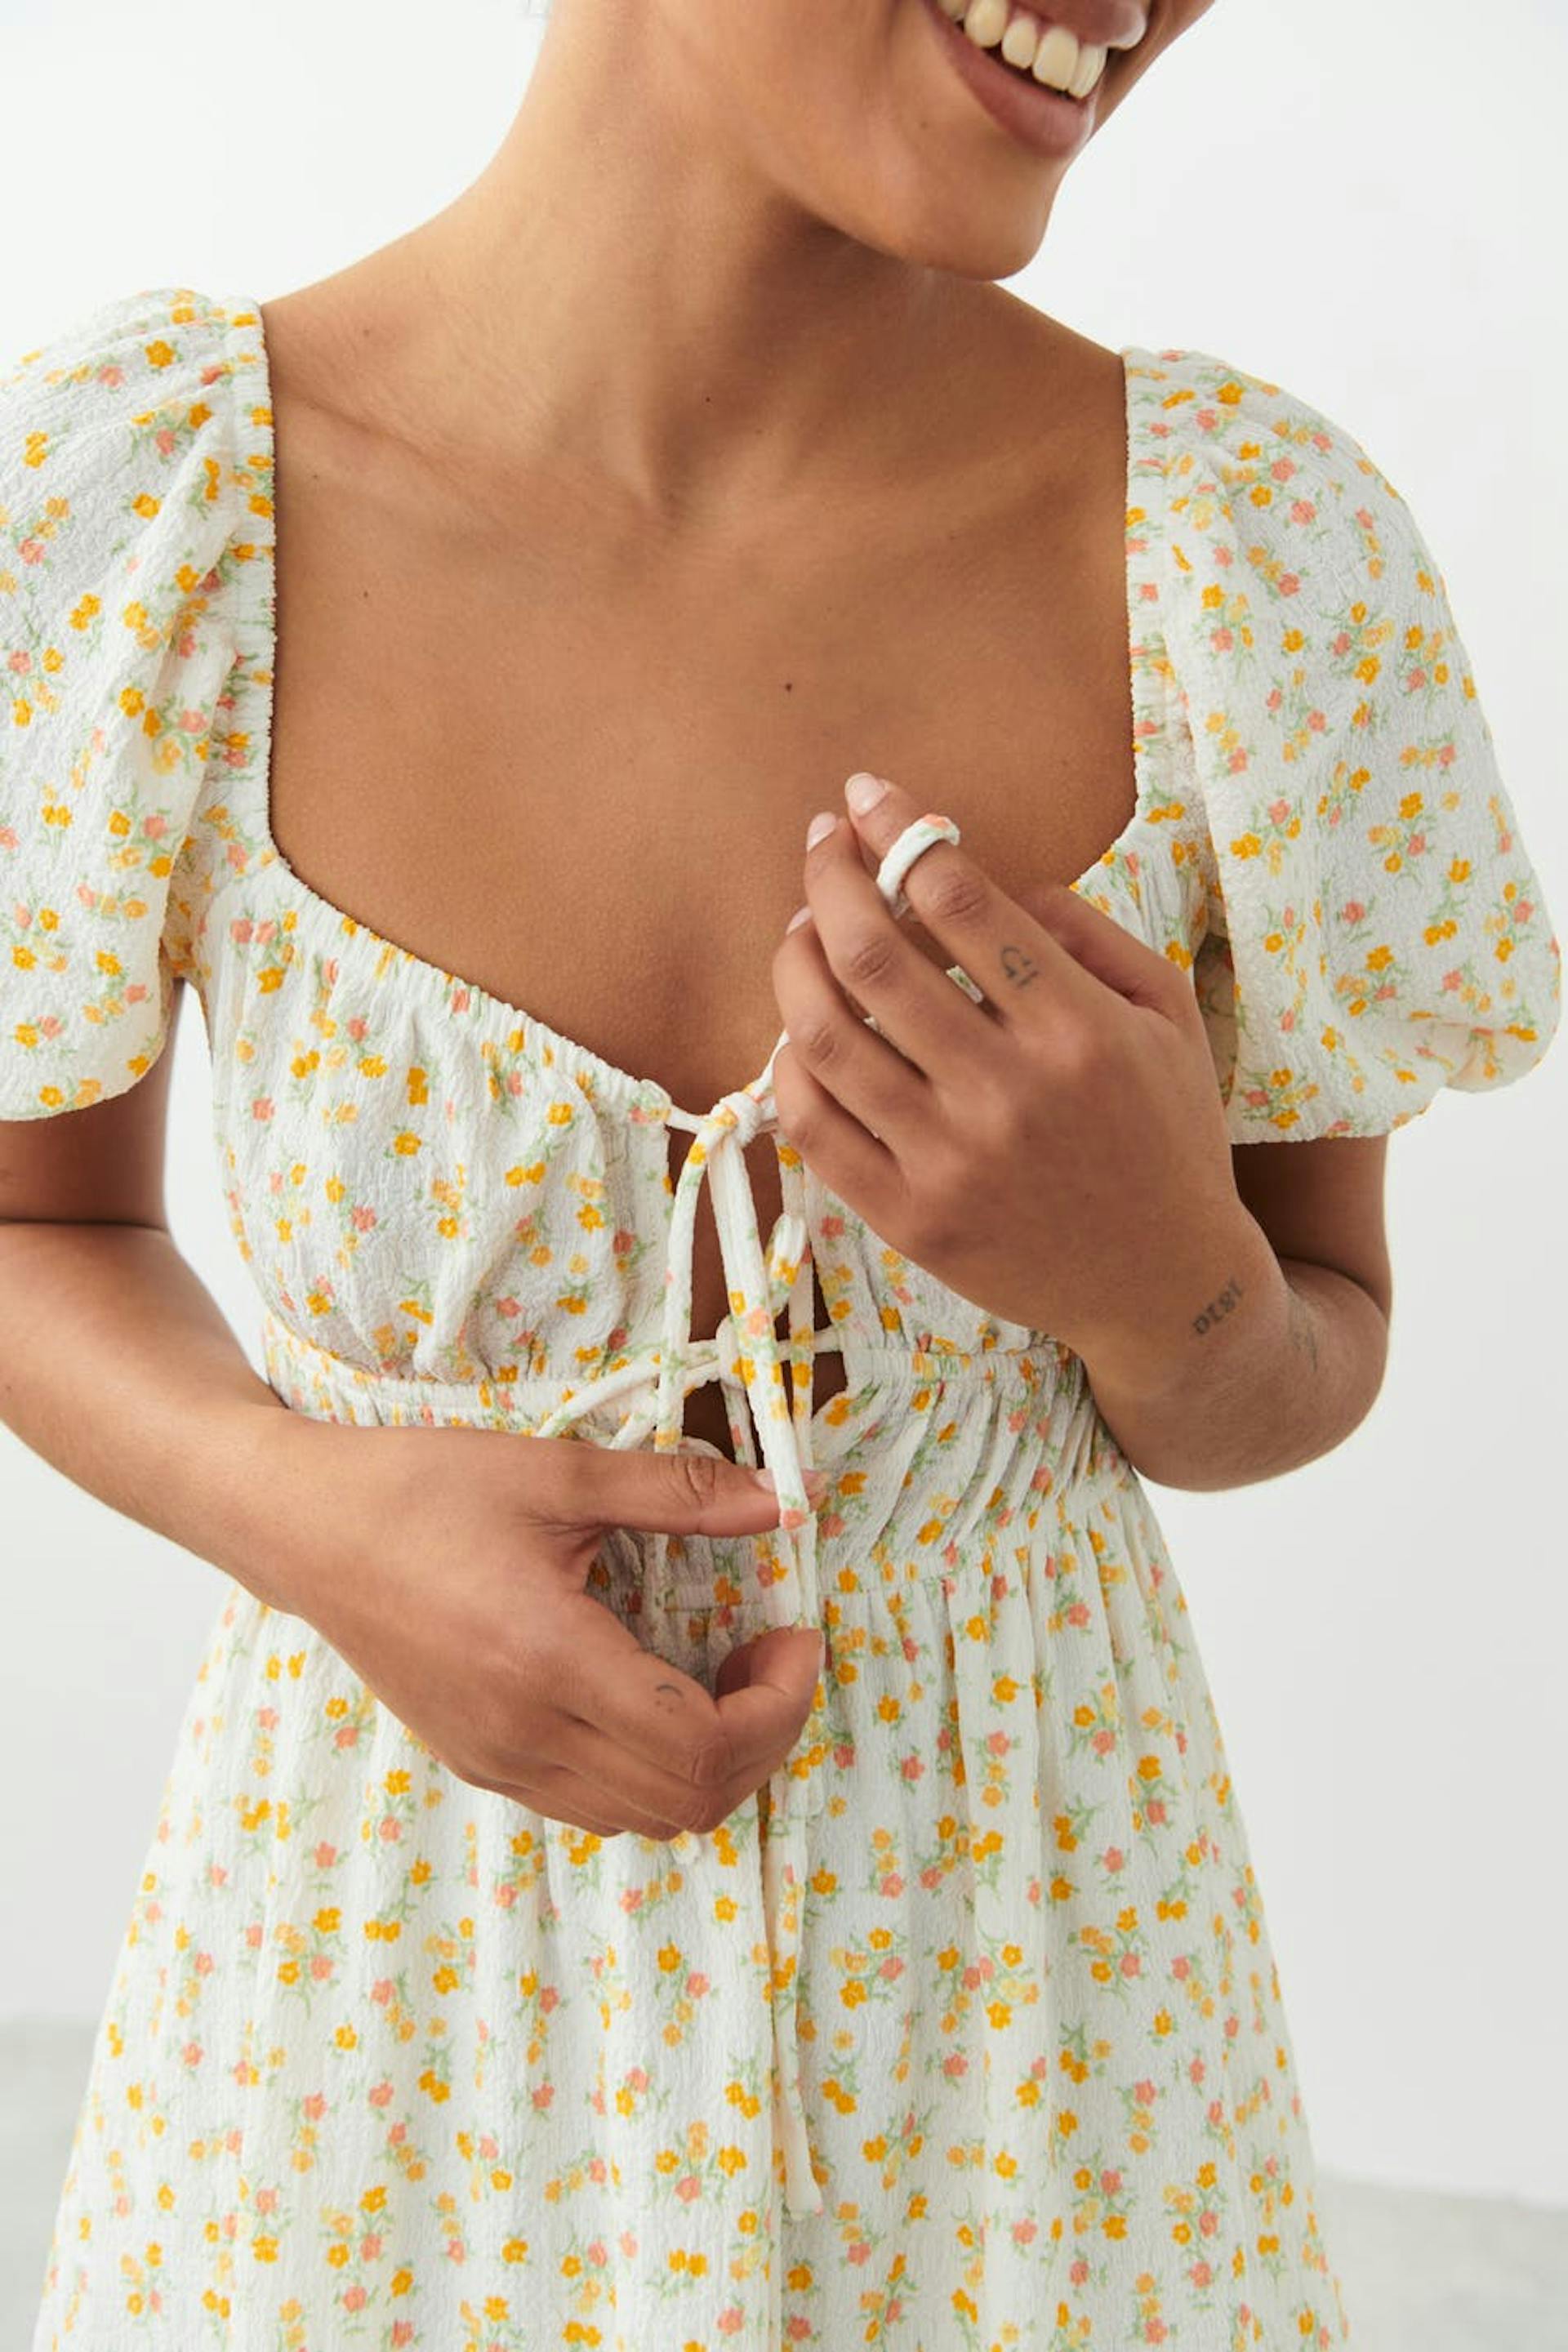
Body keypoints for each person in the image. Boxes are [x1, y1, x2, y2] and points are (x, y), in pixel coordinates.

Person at [2, 0, 1560, 2341]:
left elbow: (1305, 1346)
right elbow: (36, 1218)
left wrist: (1169, 1283)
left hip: (1044, 2094)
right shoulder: (146, 514)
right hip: (367, 2081)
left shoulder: (1251, 568)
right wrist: (302, 1513)